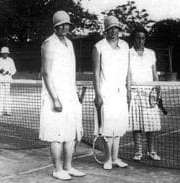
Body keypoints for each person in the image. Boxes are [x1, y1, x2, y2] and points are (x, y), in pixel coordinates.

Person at [40, 10, 85, 180]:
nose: (65, 27)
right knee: (56, 135)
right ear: (55, 26)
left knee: (71, 133)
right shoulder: (49, 43)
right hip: (55, 96)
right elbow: (45, 73)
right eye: (61, 25)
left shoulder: (70, 43)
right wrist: (55, 98)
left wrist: (73, 93)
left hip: (70, 95)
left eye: (67, 24)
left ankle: (68, 166)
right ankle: (57, 169)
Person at [93, 15, 129, 170]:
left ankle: (115, 158)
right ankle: (107, 159)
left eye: (116, 28)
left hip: (121, 92)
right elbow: (95, 73)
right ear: (105, 30)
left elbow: (129, 70)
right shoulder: (98, 47)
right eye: (110, 28)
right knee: (107, 129)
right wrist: (98, 94)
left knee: (118, 128)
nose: (114, 31)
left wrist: (129, 90)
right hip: (105, 92)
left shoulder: (126, 46)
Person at [128, 26, 161, 161]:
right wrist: (129, 91)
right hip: (135, 92)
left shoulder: (151, 53)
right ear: (134, 39)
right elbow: (128, 73)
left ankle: (151, 151)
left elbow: (154, 73)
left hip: (150, 93)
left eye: (143, 38)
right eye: (138, 38)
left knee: (151, 125)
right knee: (137, 125)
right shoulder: (128, 53)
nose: (140, 41)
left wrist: (158, 90)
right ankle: (138, 152)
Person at [0, 46, 16, 117]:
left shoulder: (11, 60)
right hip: (0, 79)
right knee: (0, 96)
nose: (4, 54)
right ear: (1, 53)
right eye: (3, 53)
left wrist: (9, 72)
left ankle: (8, 111)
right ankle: (0, 112)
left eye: (6, 53)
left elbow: (14, 70)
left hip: (8, 80)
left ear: (8, 53)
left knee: (7, 96)